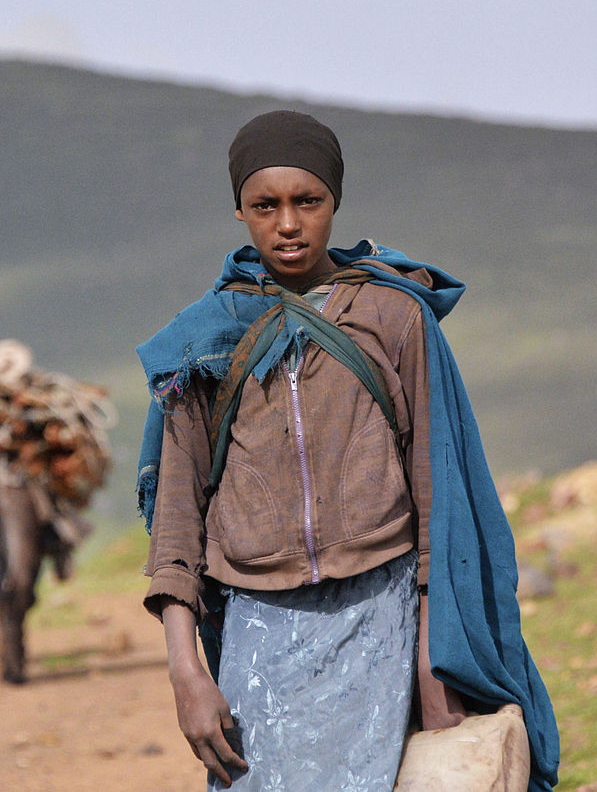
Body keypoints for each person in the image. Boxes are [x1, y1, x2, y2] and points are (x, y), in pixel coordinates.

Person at [136, 111, 558, 790]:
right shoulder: (203, 342)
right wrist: (187, 675)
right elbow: (179, 520)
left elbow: (439, 499)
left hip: (379, 618)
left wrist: (432, 661)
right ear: (238, 211)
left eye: (309, 201)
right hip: (255, 632)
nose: (289, 224)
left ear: (335, 201)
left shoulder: (394, 317)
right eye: (264, 205)